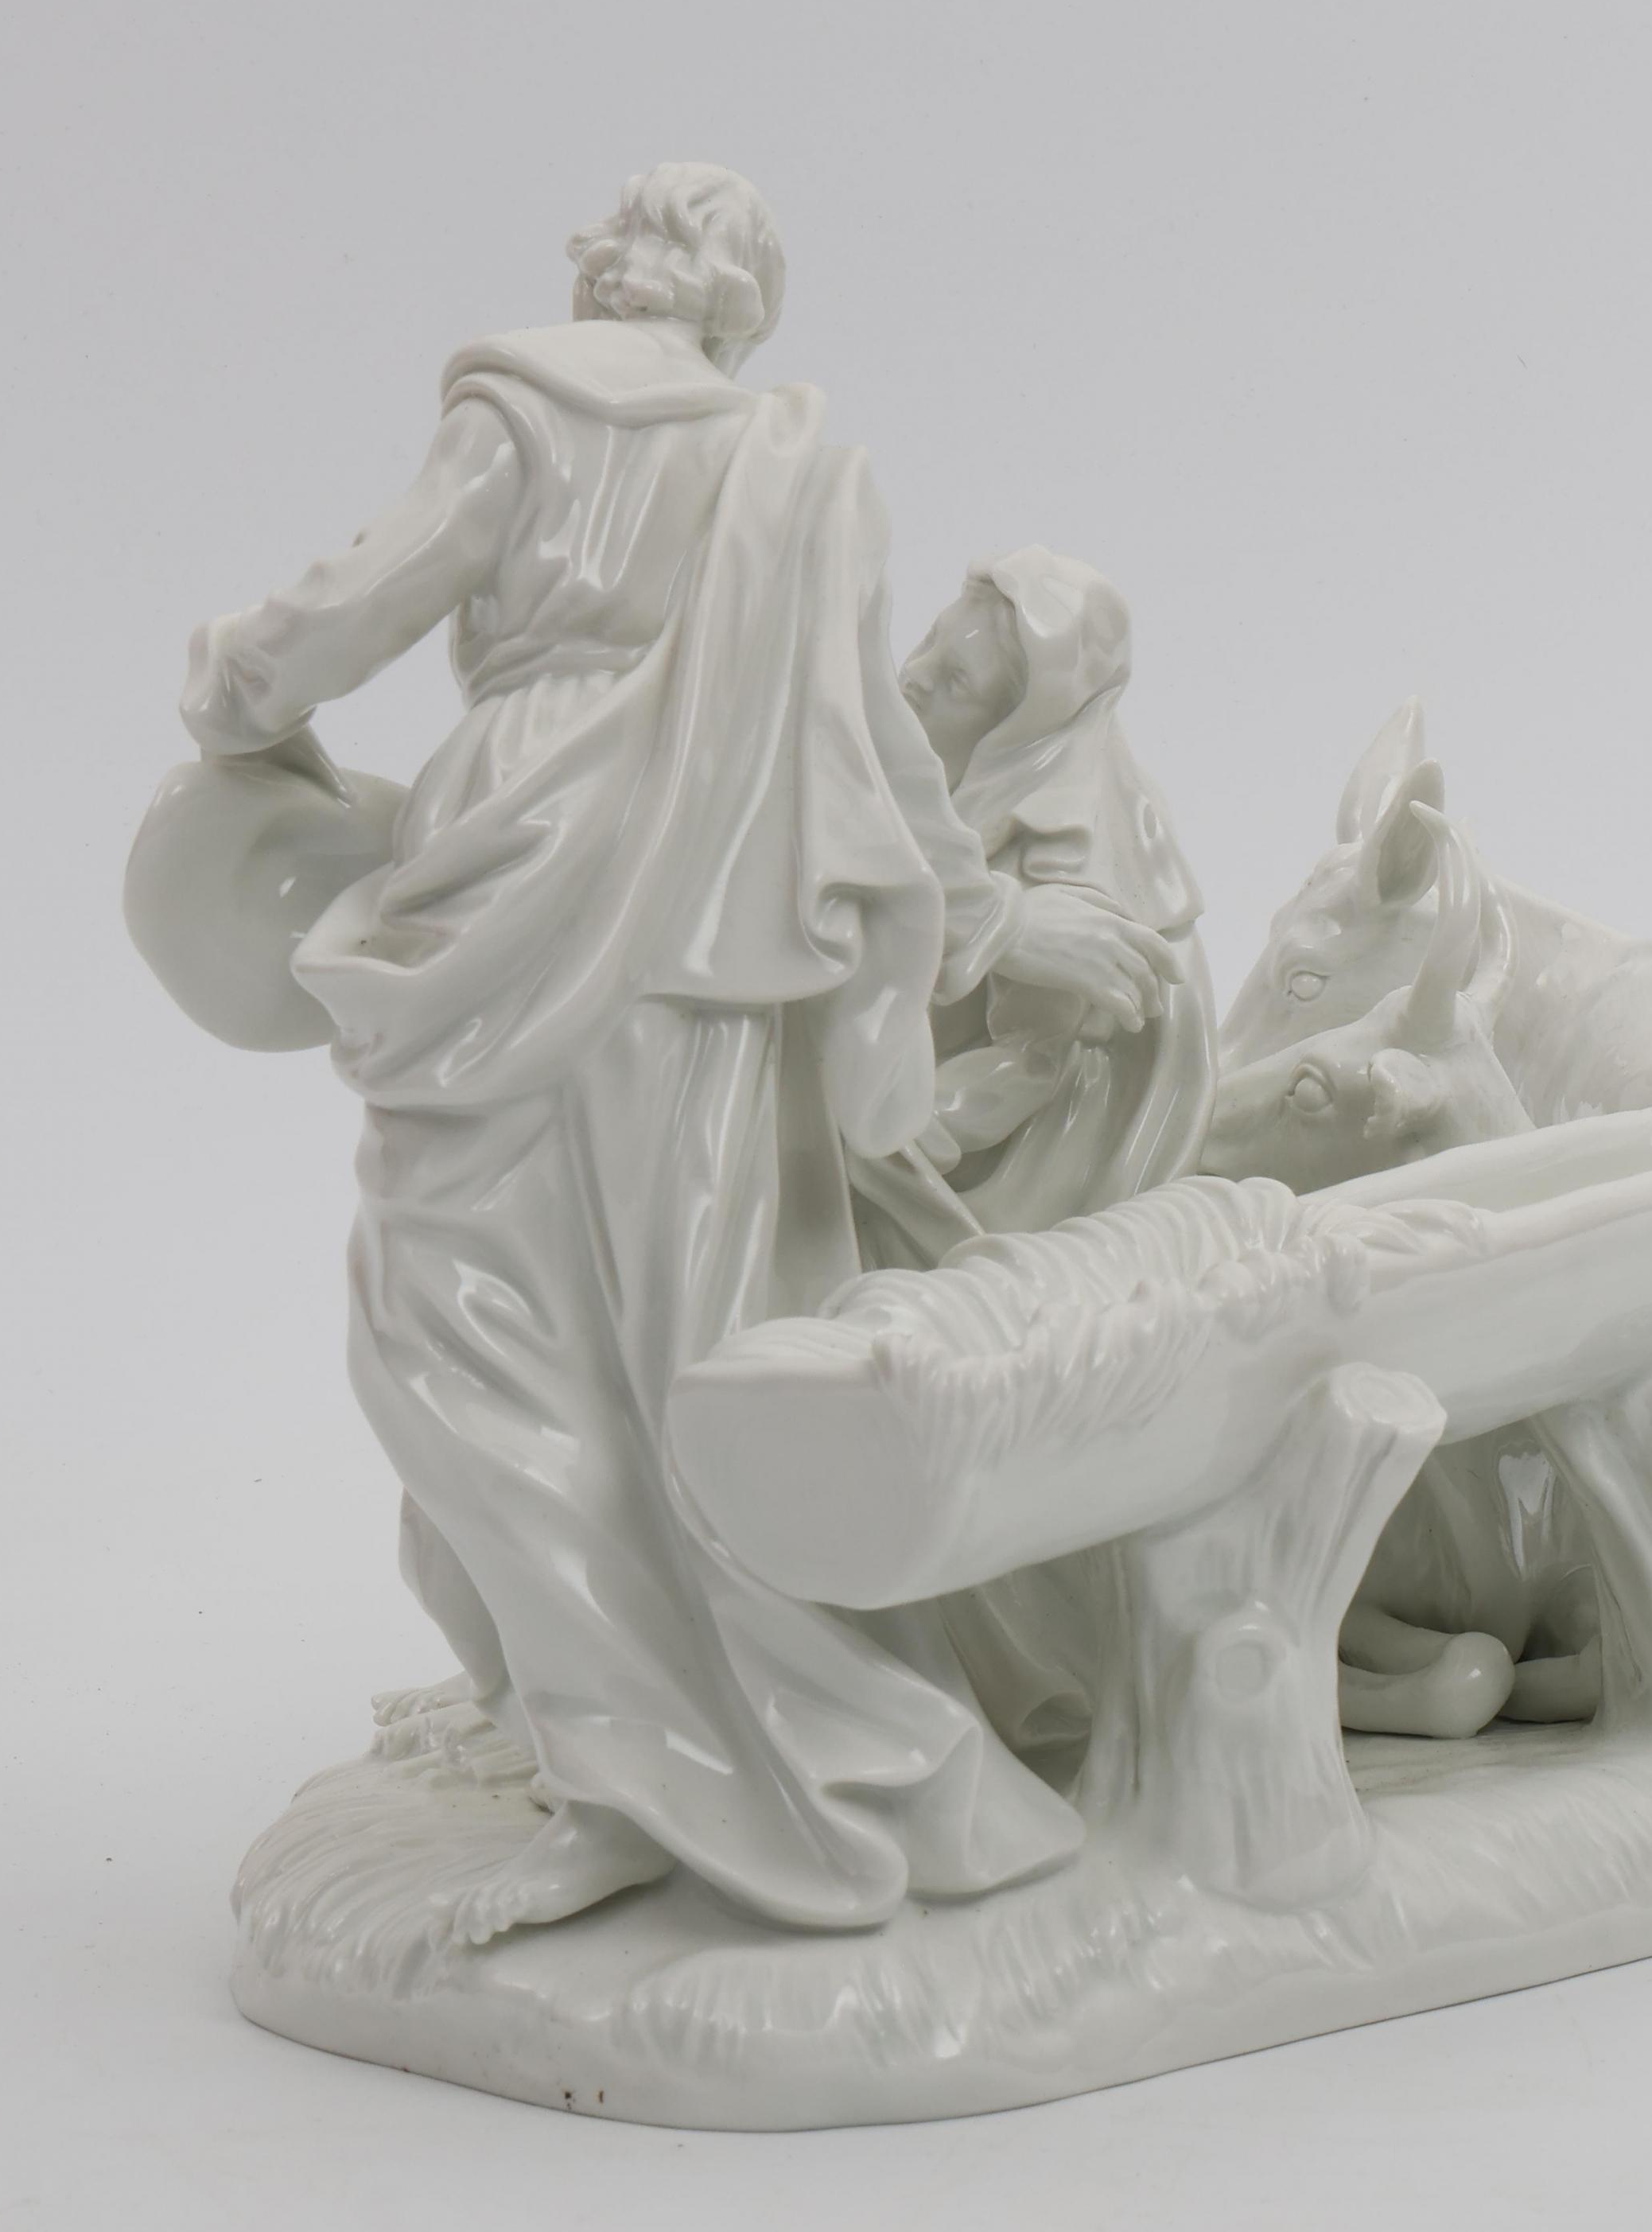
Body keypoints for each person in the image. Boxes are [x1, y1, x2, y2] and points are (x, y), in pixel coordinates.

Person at [177, 163, 1176, 1944]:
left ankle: (647, 1769)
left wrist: (234, 688)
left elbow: (357, 603)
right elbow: (877, 755)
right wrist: (986, 925)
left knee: (456, 1332)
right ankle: (728, 1741)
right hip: (714, 939)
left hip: (524, 887)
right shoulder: (798, 470)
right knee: (682, 1344)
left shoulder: (528, 403)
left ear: (612, 265)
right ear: (741, 307)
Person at [893, 551, 1214, 1239]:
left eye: (956, 680)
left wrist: (900, 1130)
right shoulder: (921, 783)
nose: (912, 676)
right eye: (930, 640)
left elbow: (1030, 1062)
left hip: (984, 1177)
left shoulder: (1059, 855)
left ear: (1014, 730)